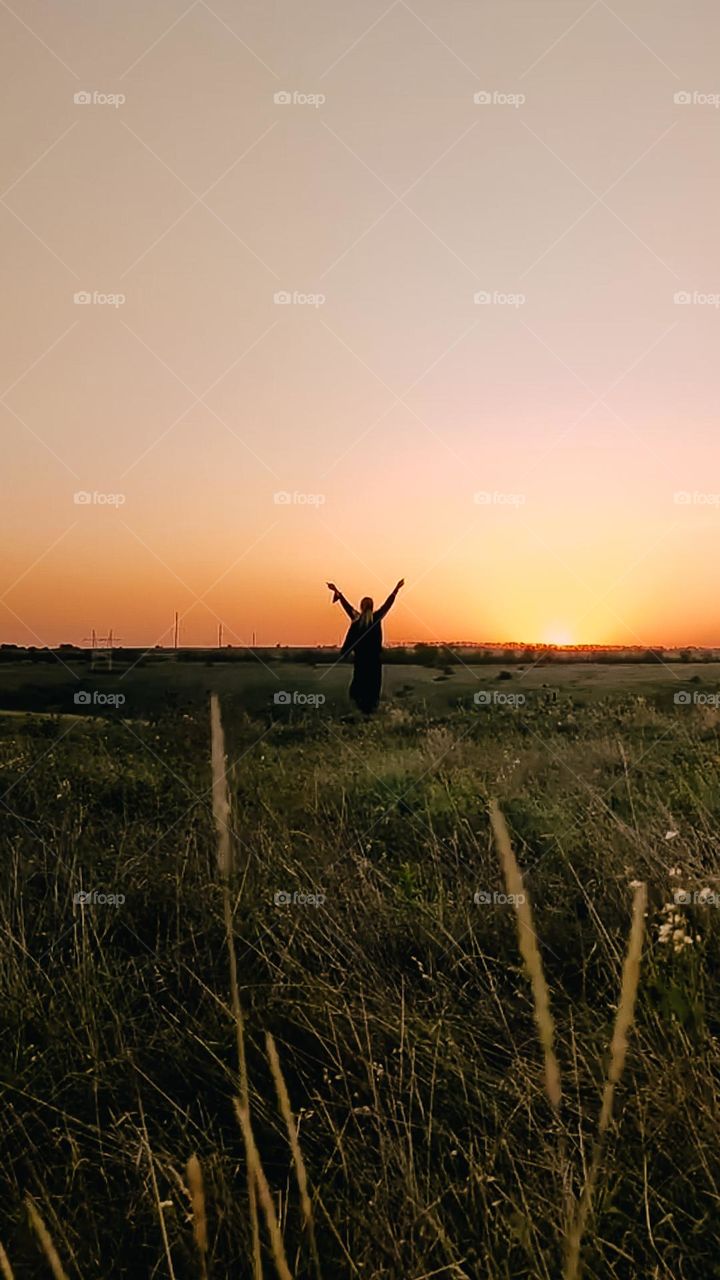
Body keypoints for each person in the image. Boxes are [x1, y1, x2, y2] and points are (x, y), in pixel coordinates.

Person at [326, 579, 404, 714]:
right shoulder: (376, 617)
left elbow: (346, 606)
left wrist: (337, 591)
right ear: (372, 606)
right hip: (374, 660)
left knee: (359, 683)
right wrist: (396, 589)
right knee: (373, 685)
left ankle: (357, 710)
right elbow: (388, 604)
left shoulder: (356, 619)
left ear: (361, 606)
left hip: (360, 660)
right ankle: (370, 711)